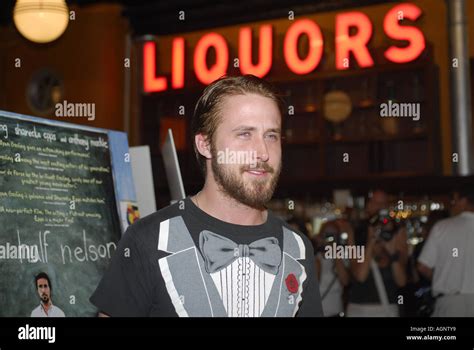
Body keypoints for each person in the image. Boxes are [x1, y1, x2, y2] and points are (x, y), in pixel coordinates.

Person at [90, 75, 323, 317]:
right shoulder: (148, 240)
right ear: (205, 144)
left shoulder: (298, 248)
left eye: (271, 135)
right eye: (245, 134)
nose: (263, 152)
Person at [346, 189, 408, 317]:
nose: (379, 207)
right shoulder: (356, 232)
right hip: (359, 308)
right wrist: (370, 241)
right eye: (375, 203)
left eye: (383, 203)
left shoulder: (398, 233)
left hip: (387, 308)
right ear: (368, 206)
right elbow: (360, 276)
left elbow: (402, 281)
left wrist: (392, 253)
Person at [417, 186, 474, 317]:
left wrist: (443, 276)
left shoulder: (442, 227)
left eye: (453, 200)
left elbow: (423, 266)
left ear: (463, 201)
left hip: (451, 302)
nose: (451, 205)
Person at [313, 220, 350, 317]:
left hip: (336, 313)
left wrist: (334, 251)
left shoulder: (342, 258)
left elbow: (345, 281)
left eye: (333, 234)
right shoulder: (315, 258)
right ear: (320, 236)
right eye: (327, 234)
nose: (330, 238)